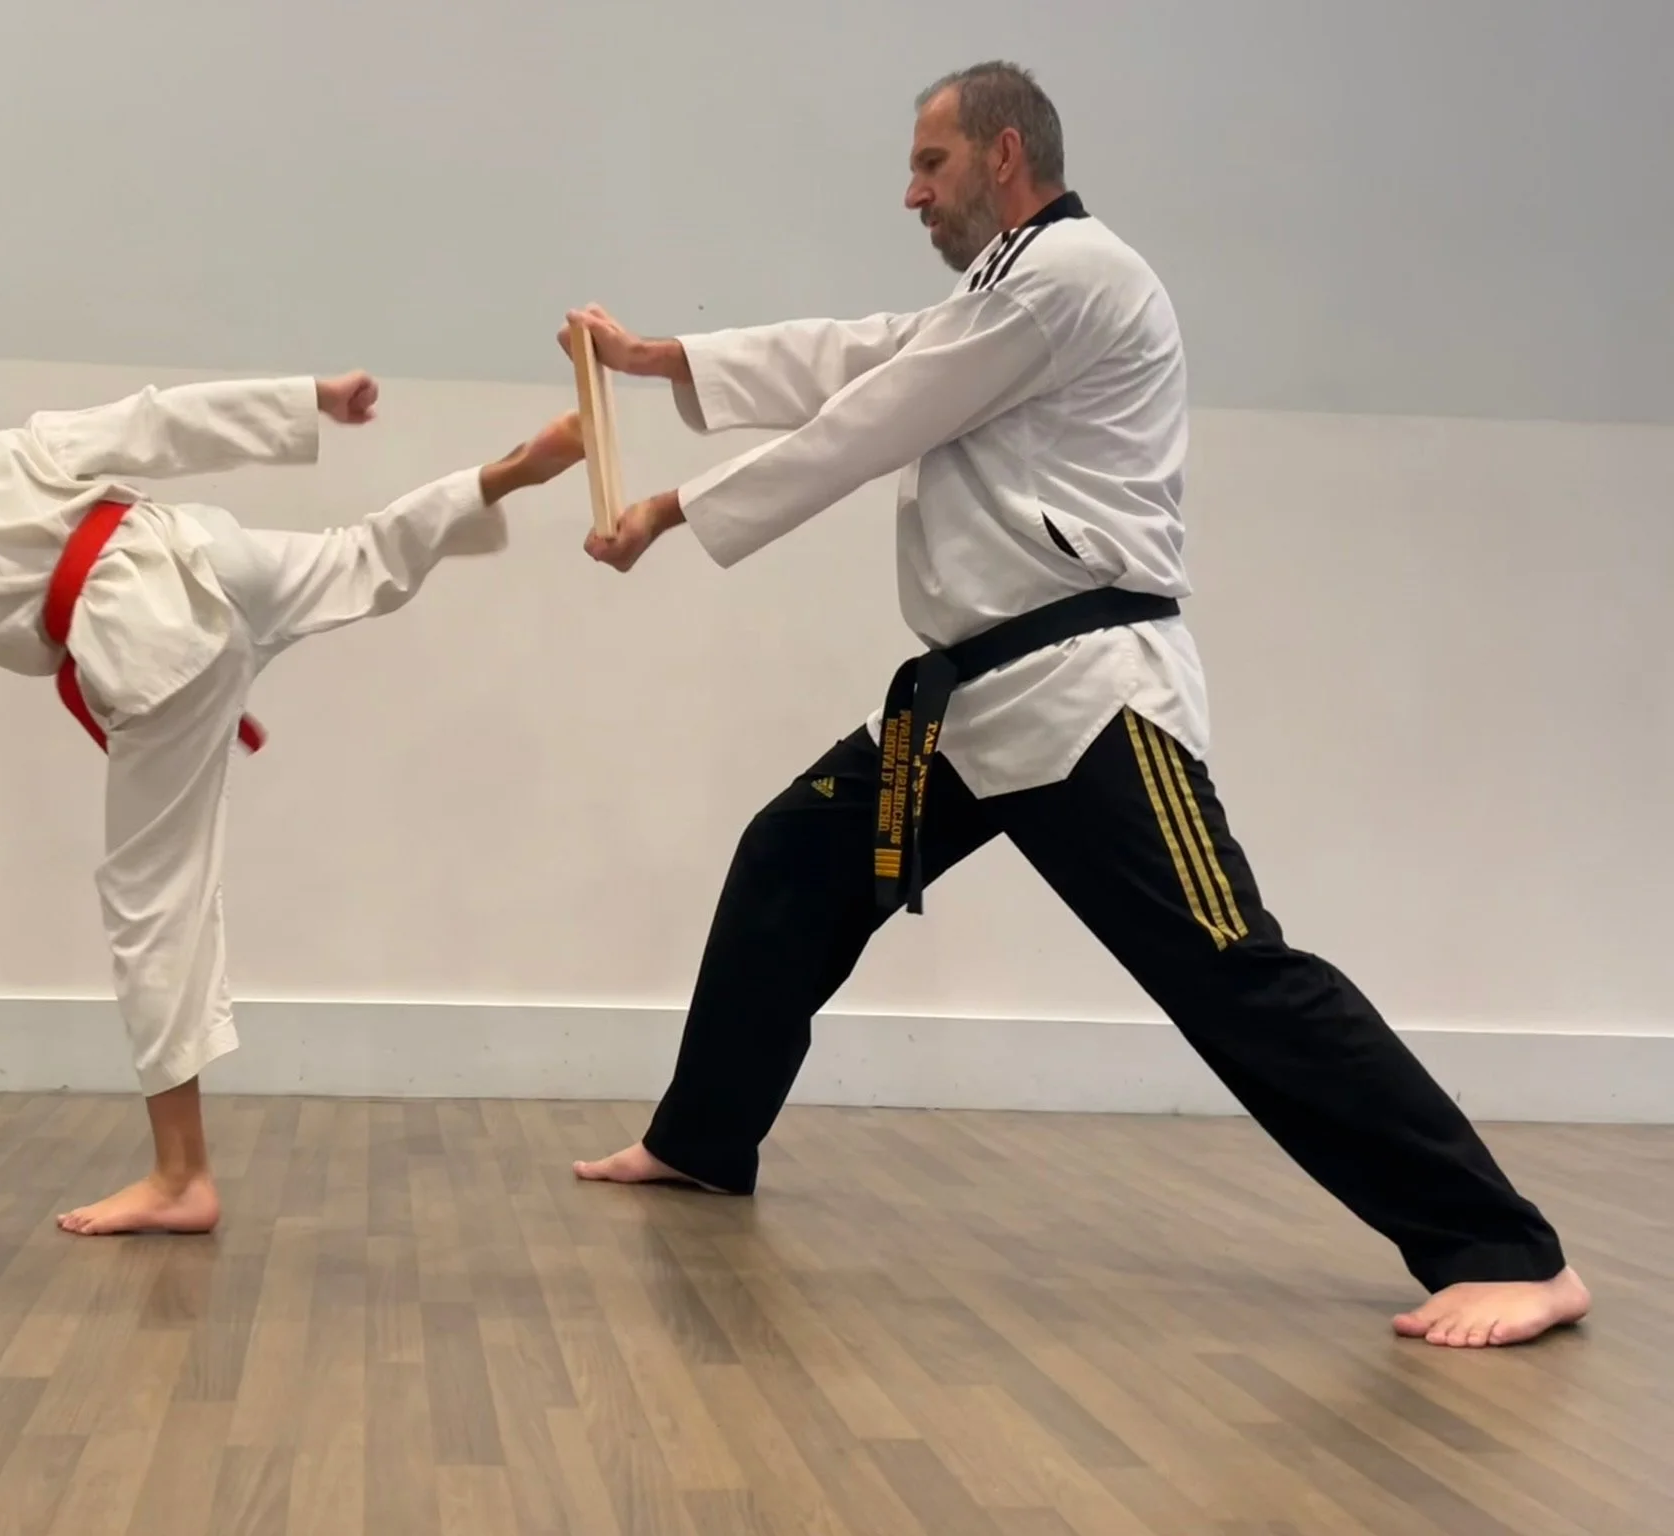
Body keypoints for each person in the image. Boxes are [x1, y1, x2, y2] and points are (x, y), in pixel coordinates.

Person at [559, 60, 1590, 1348]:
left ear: (1003, 156)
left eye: (929, 165)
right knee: (792, 860)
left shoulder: (1074, 277)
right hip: (971, 709)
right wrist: (666, 361)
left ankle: (1505, 1249)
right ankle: (704, 1138)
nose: (910, 192)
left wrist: (672, 508)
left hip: (1087, 701)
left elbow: (880, 410)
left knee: (1232, 972)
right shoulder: (1005, 289)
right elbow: (873, 352)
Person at [0, 355, 584, 1236]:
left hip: (150, 643)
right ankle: (501, 474)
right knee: (360, 554)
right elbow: (160, 421)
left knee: (152, 901)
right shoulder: (26, 450)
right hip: (205, 552)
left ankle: (180, 1176)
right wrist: (309, 397)